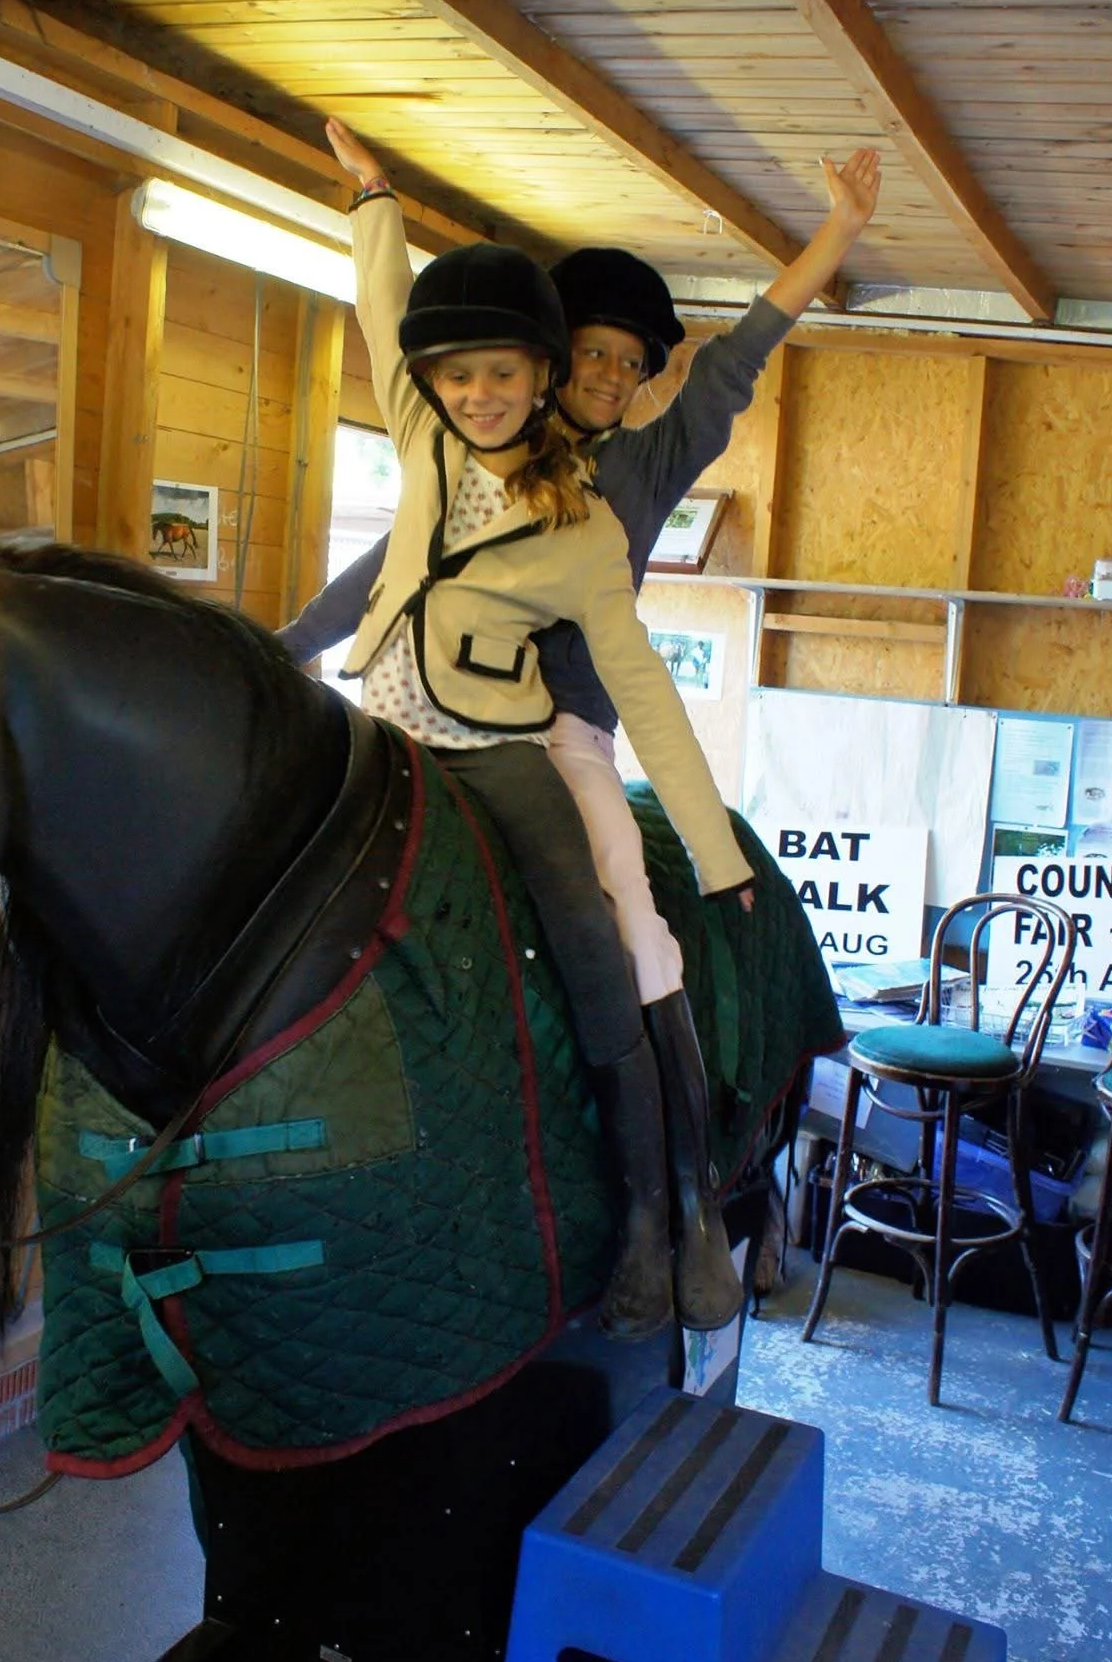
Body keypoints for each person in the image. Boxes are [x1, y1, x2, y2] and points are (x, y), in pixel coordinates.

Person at [285, 132, 882, 1331]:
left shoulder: (634, 474)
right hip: (397, 714)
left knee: (622, 916)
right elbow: (385, 561)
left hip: (559, 730)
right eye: (590, 354)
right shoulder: (453, 434)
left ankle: (673, 1204)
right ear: (549, 361)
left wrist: (832, 241)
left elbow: (736, 363)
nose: (606, 375)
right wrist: (277, 647)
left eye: (626, 359)